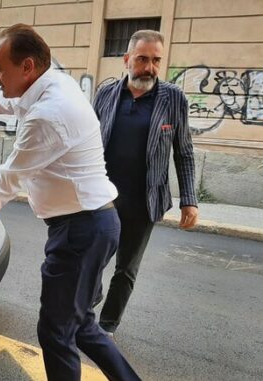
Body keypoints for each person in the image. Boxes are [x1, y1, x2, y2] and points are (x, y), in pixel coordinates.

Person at [0, 24, 140, 381]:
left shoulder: (47, 116)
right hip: (94, 225)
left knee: (56, 333)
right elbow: (9, 101)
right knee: (81, 325)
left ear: (27, 66)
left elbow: (6, 181)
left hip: (80, 232)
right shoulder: (54, 85)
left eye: (0, 68)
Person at [92, 30, 199, 337]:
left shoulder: (173, 98)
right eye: (142, 59)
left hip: (144, 200)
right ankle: (86, 309)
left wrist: (189, 200)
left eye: (156, 60)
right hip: (103, 199)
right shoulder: (106, 94)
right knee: (93, 260)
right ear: (127, 59)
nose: (150, 67)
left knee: (126, 269)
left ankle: (107, 327)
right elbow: (86, 142)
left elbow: (184, 151)